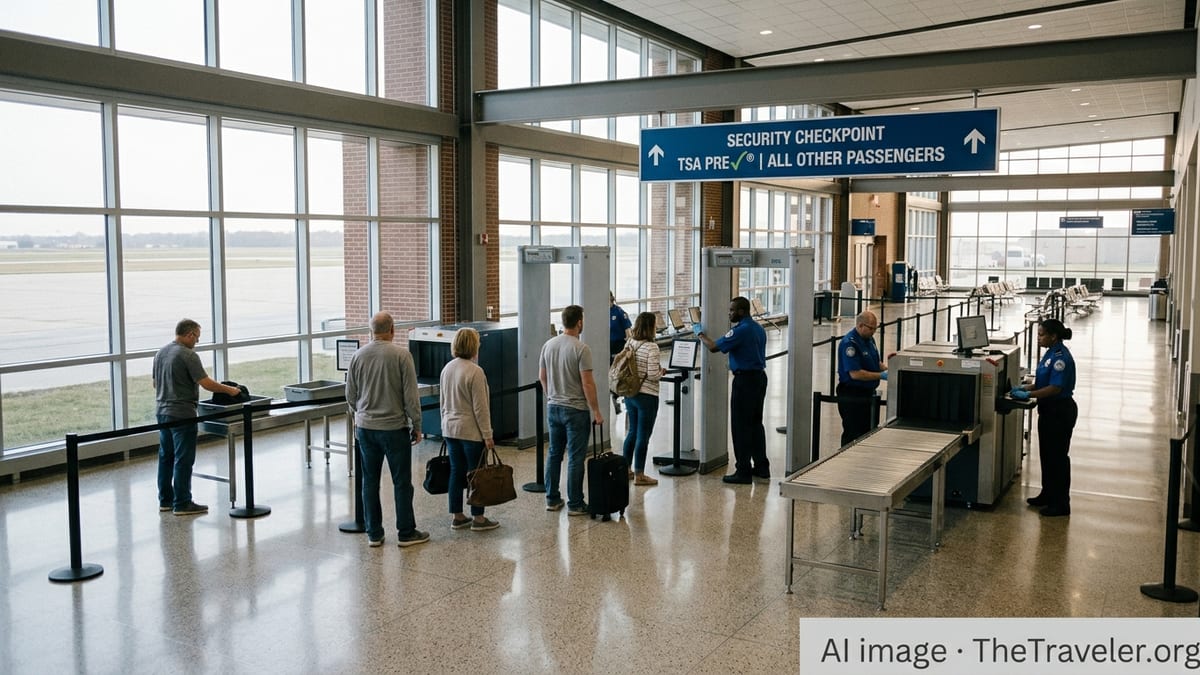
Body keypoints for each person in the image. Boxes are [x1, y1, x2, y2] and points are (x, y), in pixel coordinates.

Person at [346, 311, 428, 547]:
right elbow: (411, 396)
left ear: (370, 331)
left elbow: (350, 395)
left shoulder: (358, 356)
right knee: (402, 481)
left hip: (365, 428)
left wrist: (360, 414)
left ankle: (374, 533)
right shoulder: (402, 356)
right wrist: (417, 424)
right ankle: (406, 532)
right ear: (393, 330)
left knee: (369, 482)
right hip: (394, 428)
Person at [153, 319, 244, 516]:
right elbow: (206, 383)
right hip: (182, 413)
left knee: (165, 457)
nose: (197, 342)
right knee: (183, 459)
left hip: (161, 411)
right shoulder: (188, 355)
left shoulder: (161, 352)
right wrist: (231, 391)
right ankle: (183, 503)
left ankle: (166, 501)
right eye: (197, 338)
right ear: (190, 334)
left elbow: (155, 383)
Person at [694, 296, 769, 484]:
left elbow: (713, 347)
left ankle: (743, 470)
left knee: (741, 427)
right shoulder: (758, 328)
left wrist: (699, 333)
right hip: (759, 379)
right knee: (755, 424)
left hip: (745, 381)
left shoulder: (740, 331)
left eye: (732, 310)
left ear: (742, 311)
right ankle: (761, 466)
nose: (729, 313)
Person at [539, 304, 604, 515]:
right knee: (576, 457)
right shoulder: (581, 348)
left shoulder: (548, 345)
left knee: (554, 453)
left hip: (553, 407)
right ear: (579, 322)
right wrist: (596, 411)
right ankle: (575, 503)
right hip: (575, 409)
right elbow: (587, 383)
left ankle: (552, 498)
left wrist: (551, 395)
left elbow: (543, 377)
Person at [1012, 318, 1077, 517]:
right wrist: (1024, 387)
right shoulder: (1049, 353)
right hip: (1048, 411)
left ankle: (1061, 503)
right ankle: (1048, 494)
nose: (1038, 338)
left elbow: (1055, 388)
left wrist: (1029, 395)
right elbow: (1042, 382)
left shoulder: (1060, 357)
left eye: (1041, 335)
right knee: (1047, 456)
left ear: (1053, 336)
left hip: (1060, 411)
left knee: (1058, 458)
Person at [439, 327, 500, 532]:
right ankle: (479, 517)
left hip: (450, 428)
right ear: (474, 346)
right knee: (476, 473)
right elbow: (480, 407)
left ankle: (457, 515)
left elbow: (443, 402)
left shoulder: (447, 368)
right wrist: (488, 435)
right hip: (470, 430)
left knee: (456, 472)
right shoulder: (475, 371)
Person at [621, 312, 665, 487]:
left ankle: (626, 468)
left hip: (631, 393)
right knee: (643, 435)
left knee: (632, 431)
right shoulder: (652, 347)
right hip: (647, 396)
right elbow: (653, 374)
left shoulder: (630, 342)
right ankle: (640, 474)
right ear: (651, 327)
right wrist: (662, 371)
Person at [836, 310, 887, 447]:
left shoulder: (869, 339)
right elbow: (855, 374)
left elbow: (875, 362)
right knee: (853, 432)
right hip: (852, 394)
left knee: (868, 430)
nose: (873, 331)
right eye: (871, 328)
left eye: (875, 328)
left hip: (867, 393)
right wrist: (881, 376)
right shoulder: (850, 344)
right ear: (860, 325)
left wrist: (888, 369)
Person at [609, 292, 632, 414]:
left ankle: (616, 395)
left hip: (618, 347)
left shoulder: (619, 312)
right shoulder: (602, 312)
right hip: (606, 346)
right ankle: (612, 395)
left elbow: (628, 332)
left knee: (617, 373)